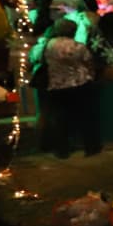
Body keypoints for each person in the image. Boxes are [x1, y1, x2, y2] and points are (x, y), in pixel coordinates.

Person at [42, 19, 101, 157]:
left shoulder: (49, 45)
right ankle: (91, 147)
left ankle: (62, 150)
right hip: (79, 84)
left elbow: (43, 61)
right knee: (85, 117)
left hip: (57, 85)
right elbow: (89, 62)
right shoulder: (78, 46)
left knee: (61, 118)